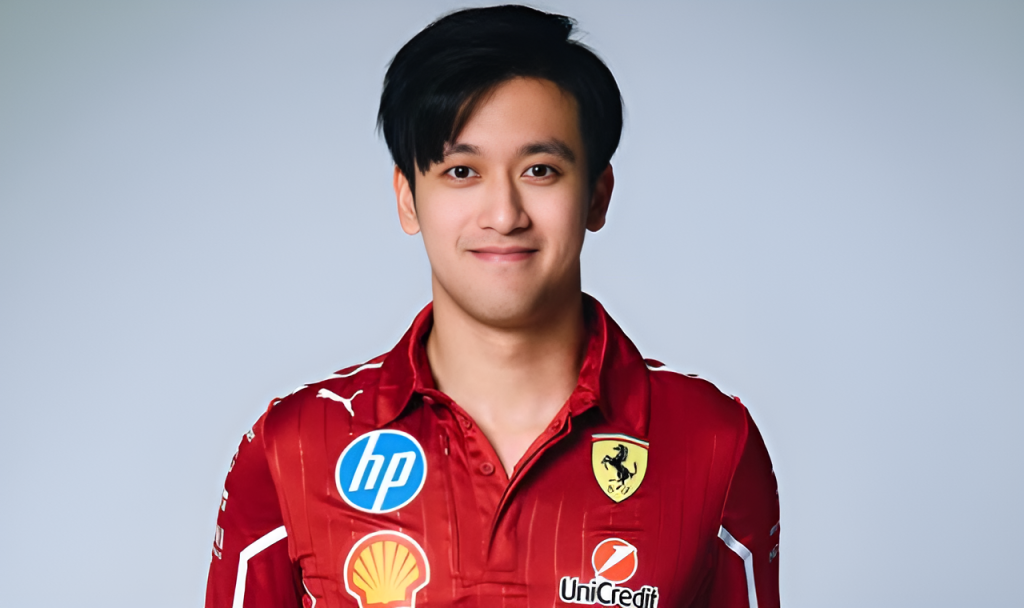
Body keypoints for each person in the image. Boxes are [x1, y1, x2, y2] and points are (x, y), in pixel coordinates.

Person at [205, 6, 780, 608]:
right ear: (408, 199)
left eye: (540, 170)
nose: (503, 214)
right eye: (461, 171)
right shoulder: (290, 448)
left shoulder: (715, 443)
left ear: (597, 196)